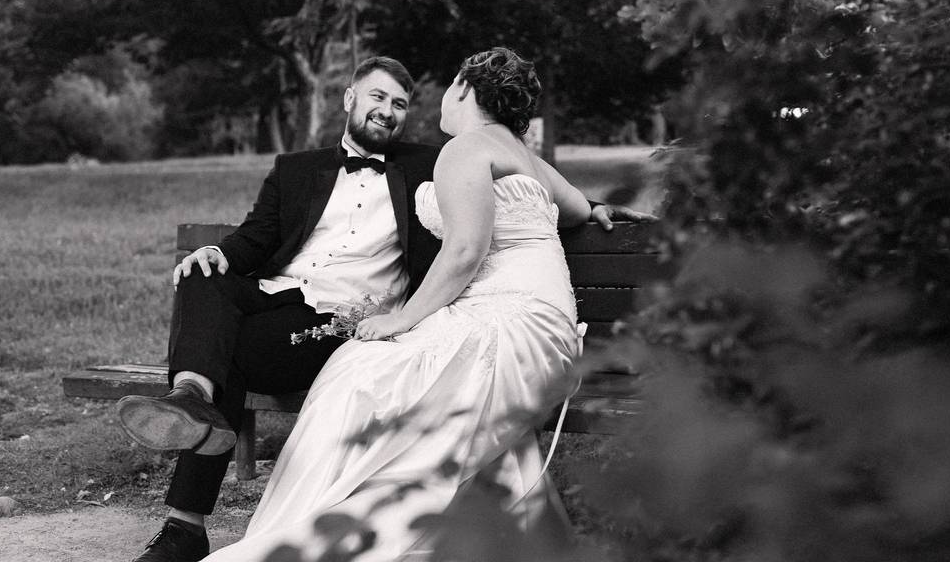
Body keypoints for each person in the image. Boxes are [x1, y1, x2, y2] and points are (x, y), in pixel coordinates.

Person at [116, 54, 640, 562]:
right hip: (291, 308)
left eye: (400, 102)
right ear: (349, 97)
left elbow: (467, 247)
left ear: (461, 91)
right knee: (203, 280)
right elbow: (254, 240)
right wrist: (219, 252)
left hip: (343, 322)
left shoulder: (438, 159)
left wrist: (399, 318)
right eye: (377, 96)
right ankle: (192, 400)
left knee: (283, 364)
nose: (388, 110)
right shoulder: (297, 169)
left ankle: (197, 515)